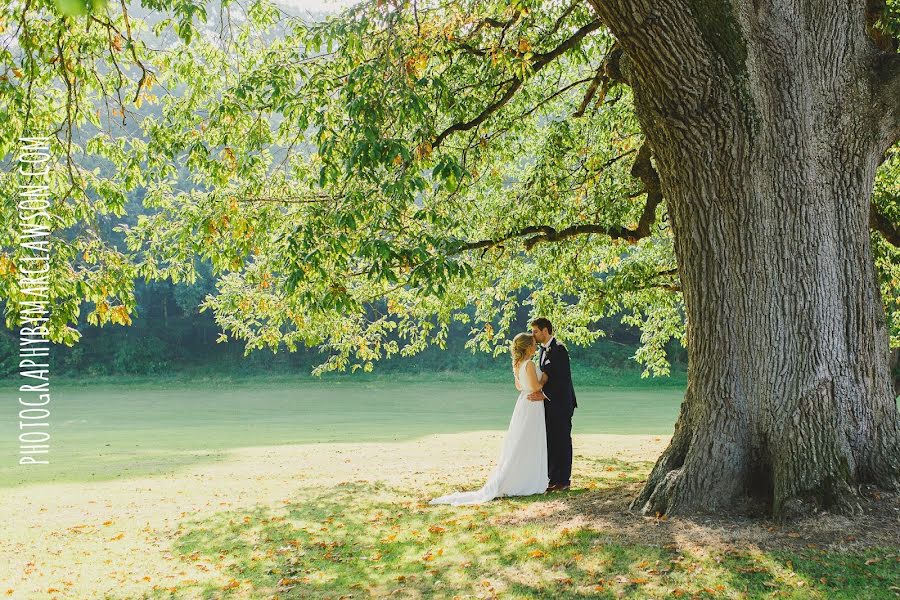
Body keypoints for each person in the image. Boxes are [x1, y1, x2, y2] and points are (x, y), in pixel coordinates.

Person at [429, 332, 550, 505]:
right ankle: (526, 478)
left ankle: (524, 475)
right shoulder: (529, 364)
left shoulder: (517, 364)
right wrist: (546, 376)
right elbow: (535, 386)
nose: (535, 345)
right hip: (532, 404)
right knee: (528, 440)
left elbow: (519, 386)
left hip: (524, 402)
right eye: (533, 343)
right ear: (527, 347)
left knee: (522, 441)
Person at [527, 318, 577, 491]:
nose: (532, 335)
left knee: (562, 440)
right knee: (551, 441)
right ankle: (552, 478)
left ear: (545, 331)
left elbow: (563, 380)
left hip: (562, 404)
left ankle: (564, 480)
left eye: (535, 331)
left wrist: (543, 394)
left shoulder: (559, 349)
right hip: (549, 405)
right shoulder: (542, 351)